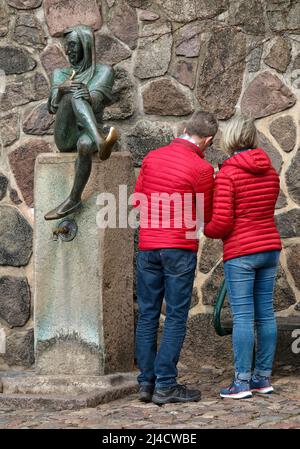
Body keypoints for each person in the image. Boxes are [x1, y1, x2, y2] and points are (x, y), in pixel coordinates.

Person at [133, 111, 218, 405]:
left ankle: (146, 383)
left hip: (148, 246)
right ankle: (166, 384)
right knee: (176, 316)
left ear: (184, 129)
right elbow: (205, 214)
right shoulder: (202, 168)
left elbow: (137, 199)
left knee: (147, 315)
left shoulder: (152, 157)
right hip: (179, 249)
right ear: (207, 140)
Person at [204, 115, 282, 399]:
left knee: (243, 317)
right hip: (269, 248)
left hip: (242, 252)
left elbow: (223, 223)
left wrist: (206, 228)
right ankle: (262, 378)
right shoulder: (270, 171)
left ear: (231, 138)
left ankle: (241, 382)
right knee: (265, 314)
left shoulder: (228, 174)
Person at [44, 25, 118, 220]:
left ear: (86, 46)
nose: (69, 51)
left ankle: (73, 199)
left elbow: (97, 99)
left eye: (73, 46)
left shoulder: (104, 72)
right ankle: (101, 141)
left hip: (88, 130)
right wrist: (60, 90)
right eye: (67, 47)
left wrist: (89, 96)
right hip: (66, 134)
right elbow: (52, 108)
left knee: (85, 145)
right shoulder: (60, 74)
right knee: (72, 92)